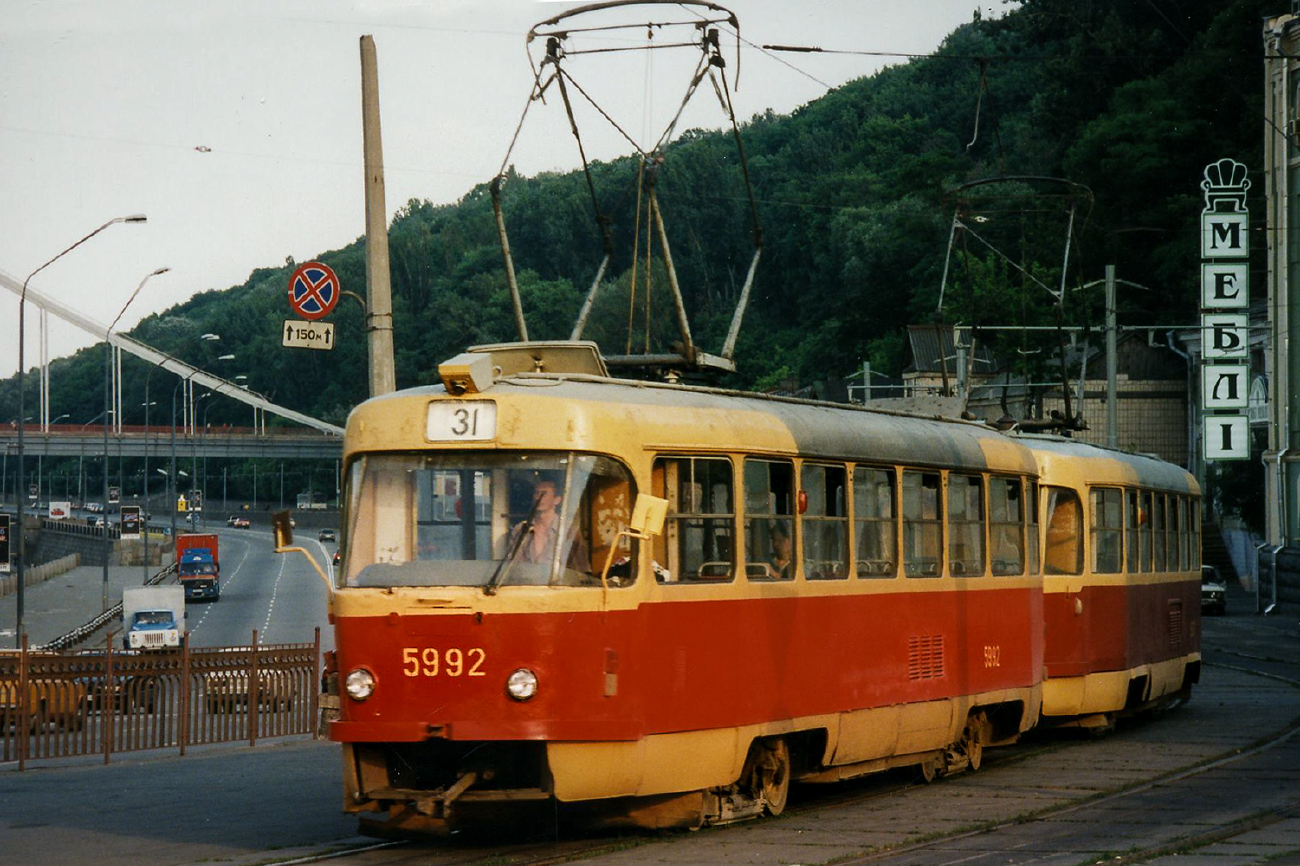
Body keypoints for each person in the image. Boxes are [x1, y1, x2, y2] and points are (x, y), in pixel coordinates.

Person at [511, 478, 590, 573]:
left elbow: (582, 570)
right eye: (537, 493)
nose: (539, 497)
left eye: (544, 493)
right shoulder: (521, 530)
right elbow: (513, 567)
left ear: (557, 500)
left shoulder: (568, 530)